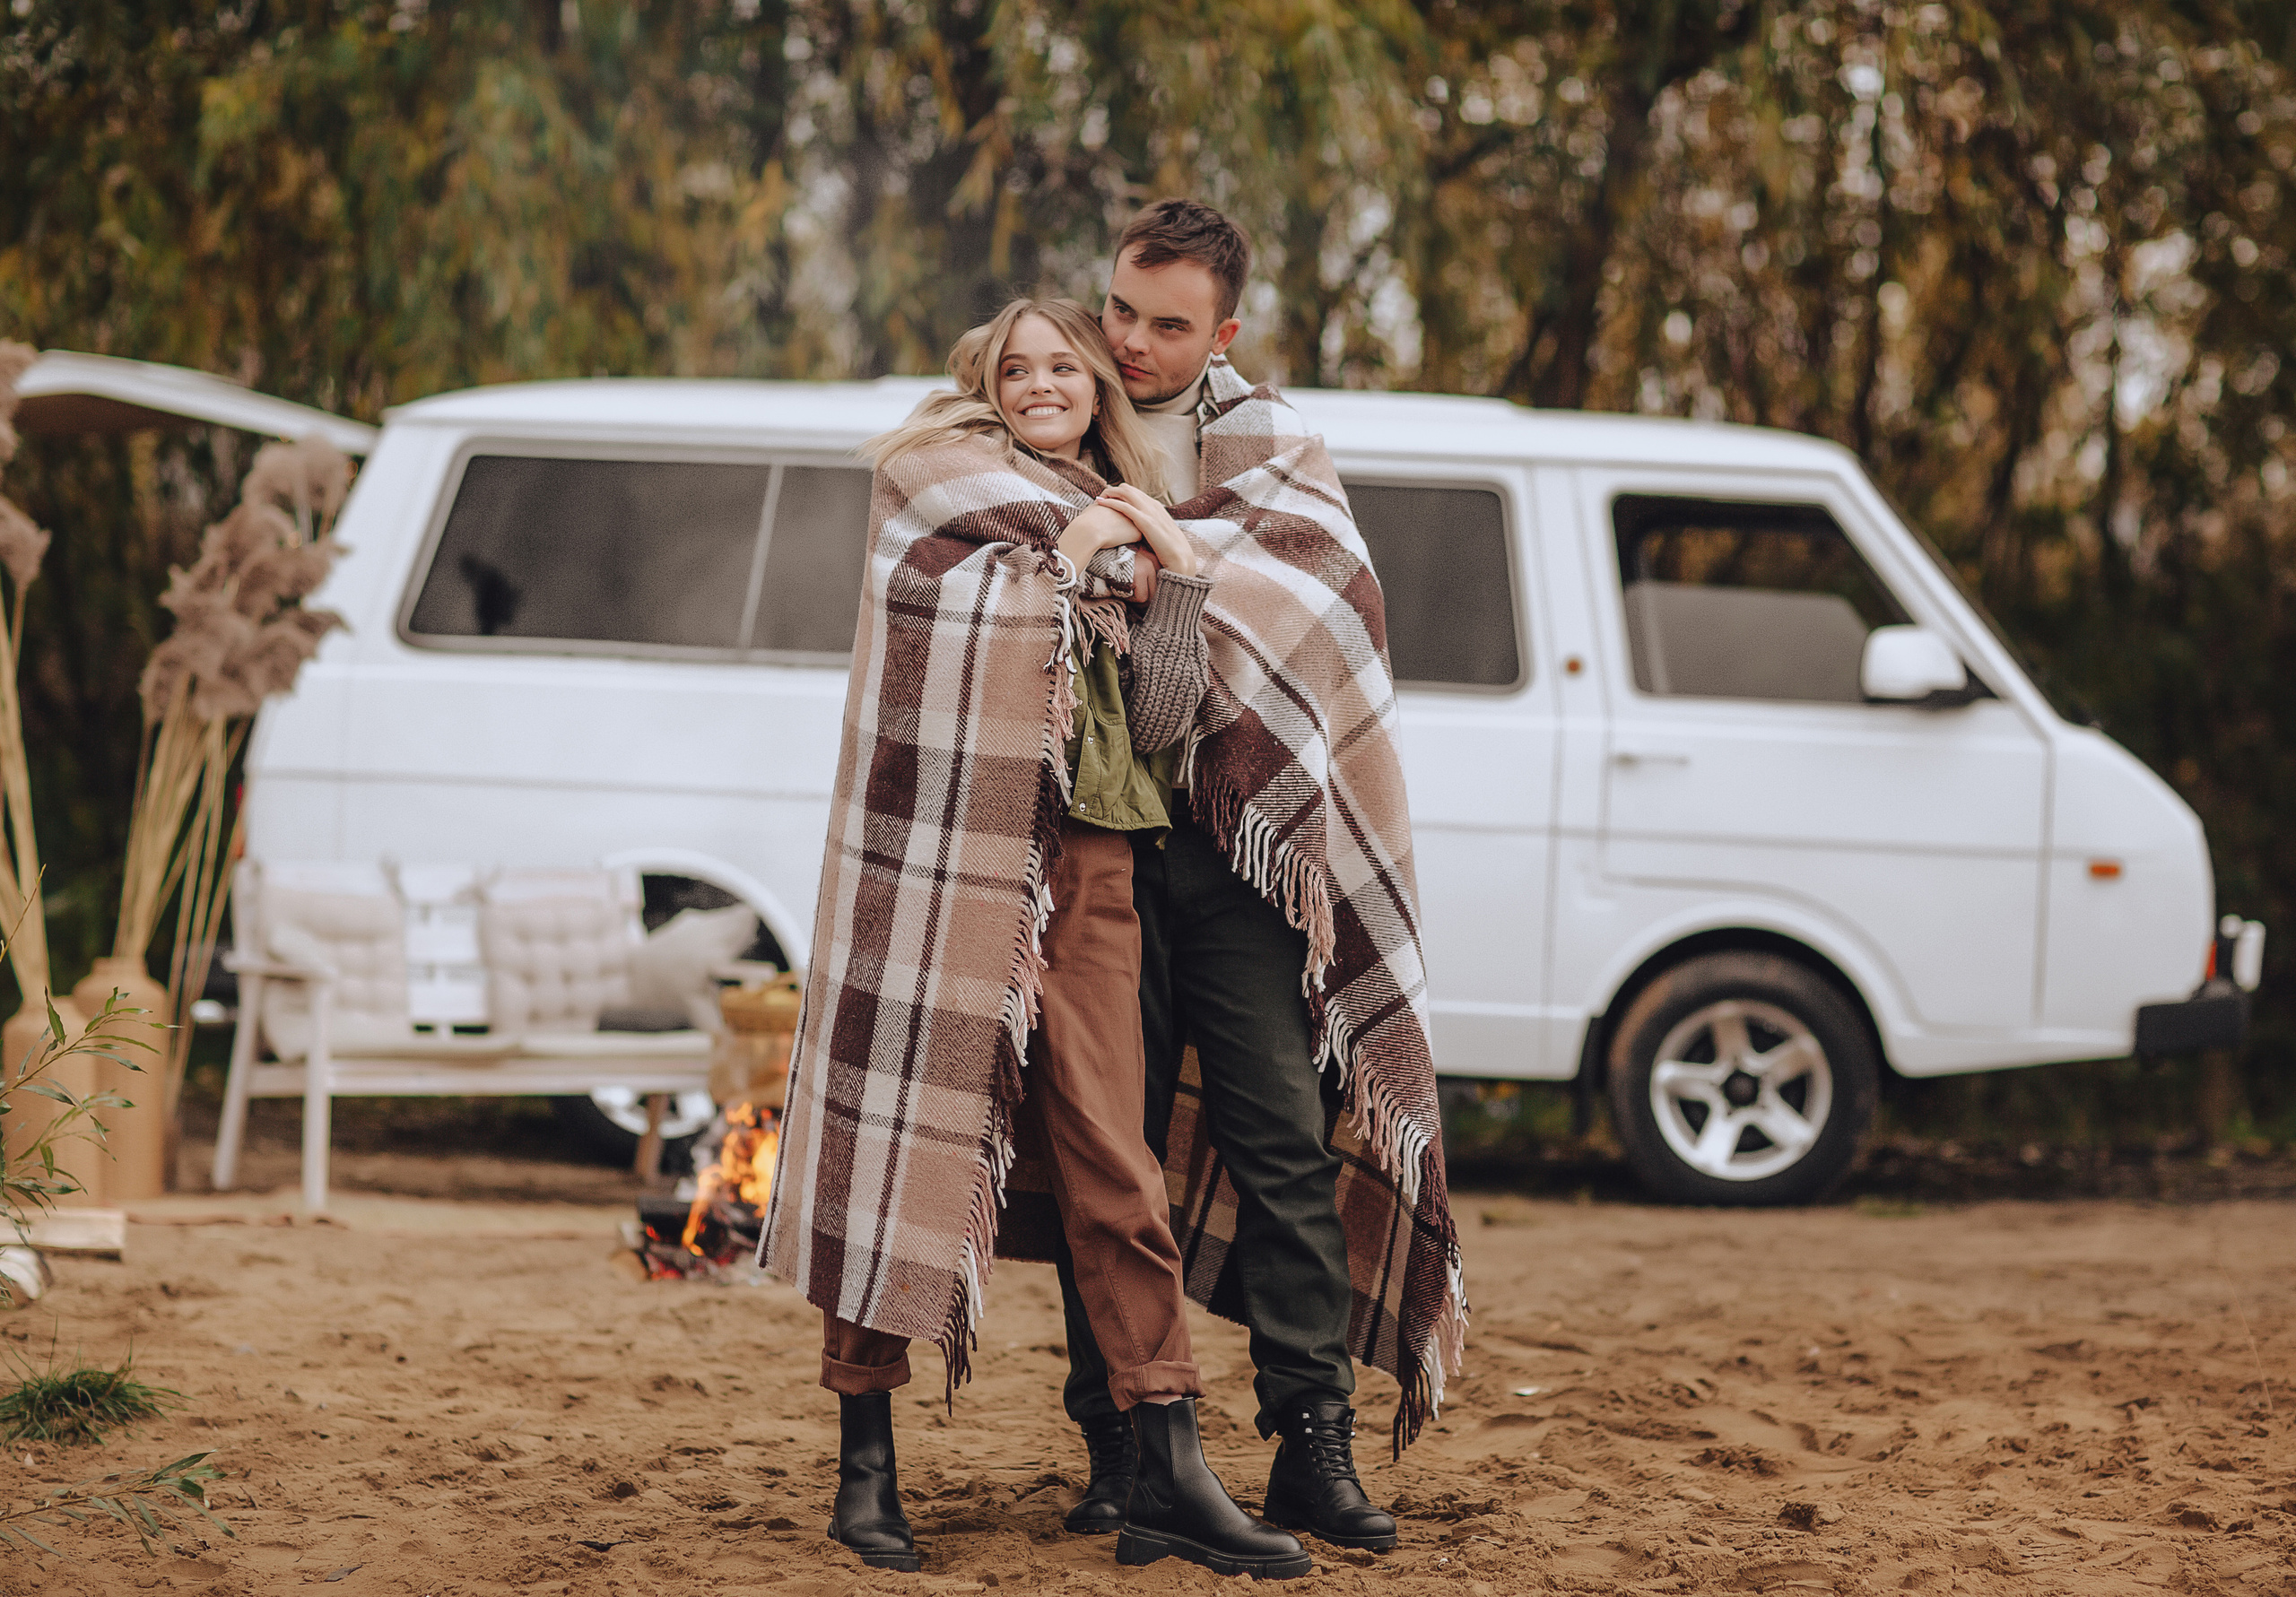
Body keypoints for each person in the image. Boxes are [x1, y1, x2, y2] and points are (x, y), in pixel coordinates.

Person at [761, 296, 1313, 1581]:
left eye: (1067, 364)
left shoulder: (1132, 502)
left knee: (1117, 1165)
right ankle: (866, 1462)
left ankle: (1166, 1461)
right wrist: (1080, 541)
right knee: (900, 1144)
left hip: (1095, 865)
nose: (1044, 382)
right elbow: (940, 636)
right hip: (951, 862)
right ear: (987, 382)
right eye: (1021, 367)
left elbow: (1170, 709)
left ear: (1095, 386)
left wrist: (1159, 560)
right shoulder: (937, 477)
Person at [1050, 200, 1466, 1555]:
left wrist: (1168, 553)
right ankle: (1121, 1449)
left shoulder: (1275, 447)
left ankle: (1313, 1444)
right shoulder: (1048, 422)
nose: (1133, 342)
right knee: (1103, 1157)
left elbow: (1321, 611)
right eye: (1122, 310)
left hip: (1240, 856)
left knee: (1282, 1139)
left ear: (1226, 331)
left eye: (1169, 325)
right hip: (1096, 847)